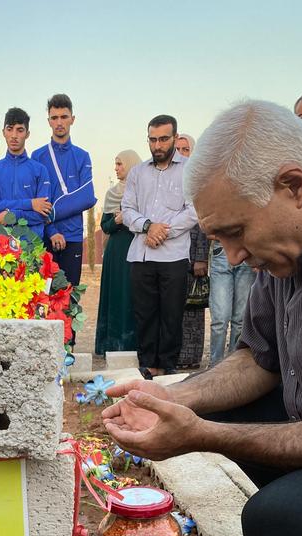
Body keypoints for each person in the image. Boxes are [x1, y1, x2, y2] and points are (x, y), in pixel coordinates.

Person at [103, 99, 302, 536]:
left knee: (279, 525)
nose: (232, 257)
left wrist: (203, 435)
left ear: (293, 187)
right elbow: (260, 358)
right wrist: (169, 398)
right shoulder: (289, 234)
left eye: (236, 232)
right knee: (211, 407)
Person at [121, 114, 198, 378]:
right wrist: (146, 227)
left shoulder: (190, 170)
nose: (158, 145)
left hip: (174, 256)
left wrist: (162, 231)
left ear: (175, 139)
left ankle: (167, 368)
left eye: (163, 139)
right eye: (153, 140)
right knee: (145, 315)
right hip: (141, 255)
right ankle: (148, 366)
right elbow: (127, 208)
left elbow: (194, 211)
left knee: (171, 315)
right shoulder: (137, 172)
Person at [32, 94, 96, 286]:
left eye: (64, 117)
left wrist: (53, 213)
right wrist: (51, 230)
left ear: (72, 119)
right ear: (49, 121)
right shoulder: (37, 156)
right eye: (55, 118)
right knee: (43, 298)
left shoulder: (82, 156)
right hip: (45, 235)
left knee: (69, 298)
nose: (59, 122)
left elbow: (87, 197)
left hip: (73, 236)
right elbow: (36, 201)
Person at [94, 150, 141, 355]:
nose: (116, 168)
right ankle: (110, 345)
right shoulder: (111, 193)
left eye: (120, 164)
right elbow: (105, 226)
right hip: (116, 251)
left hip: (136, 248)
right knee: (115, 295)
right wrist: (117, 220)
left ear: (131, 165)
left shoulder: (142, 192)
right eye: (116, 163)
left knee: (132, 296)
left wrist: (130, 218)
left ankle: (132, 346)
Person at [0, 108, 52, 239]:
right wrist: (31, 204)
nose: (14, 135)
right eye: (9, 129)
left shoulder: (40, 169)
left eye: (20, 130)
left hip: (32, 249)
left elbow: (42, 214)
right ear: (3, 132)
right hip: (2, 249)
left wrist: (12, 216)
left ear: (27, 134)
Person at [173, 134, 209, 370]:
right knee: (174, 309)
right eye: (178, 149)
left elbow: (203, 223)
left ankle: (192, 358)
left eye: (186, 149)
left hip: (193, 255)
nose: (181, 153)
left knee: (193, 312)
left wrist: (200, 257)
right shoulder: (168, 179)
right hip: (172, 255)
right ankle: (175, 356)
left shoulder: (198, 182)